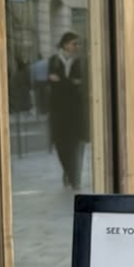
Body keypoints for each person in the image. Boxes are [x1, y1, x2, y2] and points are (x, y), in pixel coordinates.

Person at [47, 31, 85, 188]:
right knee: (61, 145)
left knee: (75, 144)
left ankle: (73, 175)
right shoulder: (54, 61)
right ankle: (68, 171)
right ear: (65, 44)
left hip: (75, 112)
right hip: (58, 111)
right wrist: (71, 83)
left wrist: (61, 82)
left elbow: (81, 83)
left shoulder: (79, 61)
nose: (76, 47)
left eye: (77, 44)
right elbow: (51, 83)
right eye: (74, 43)